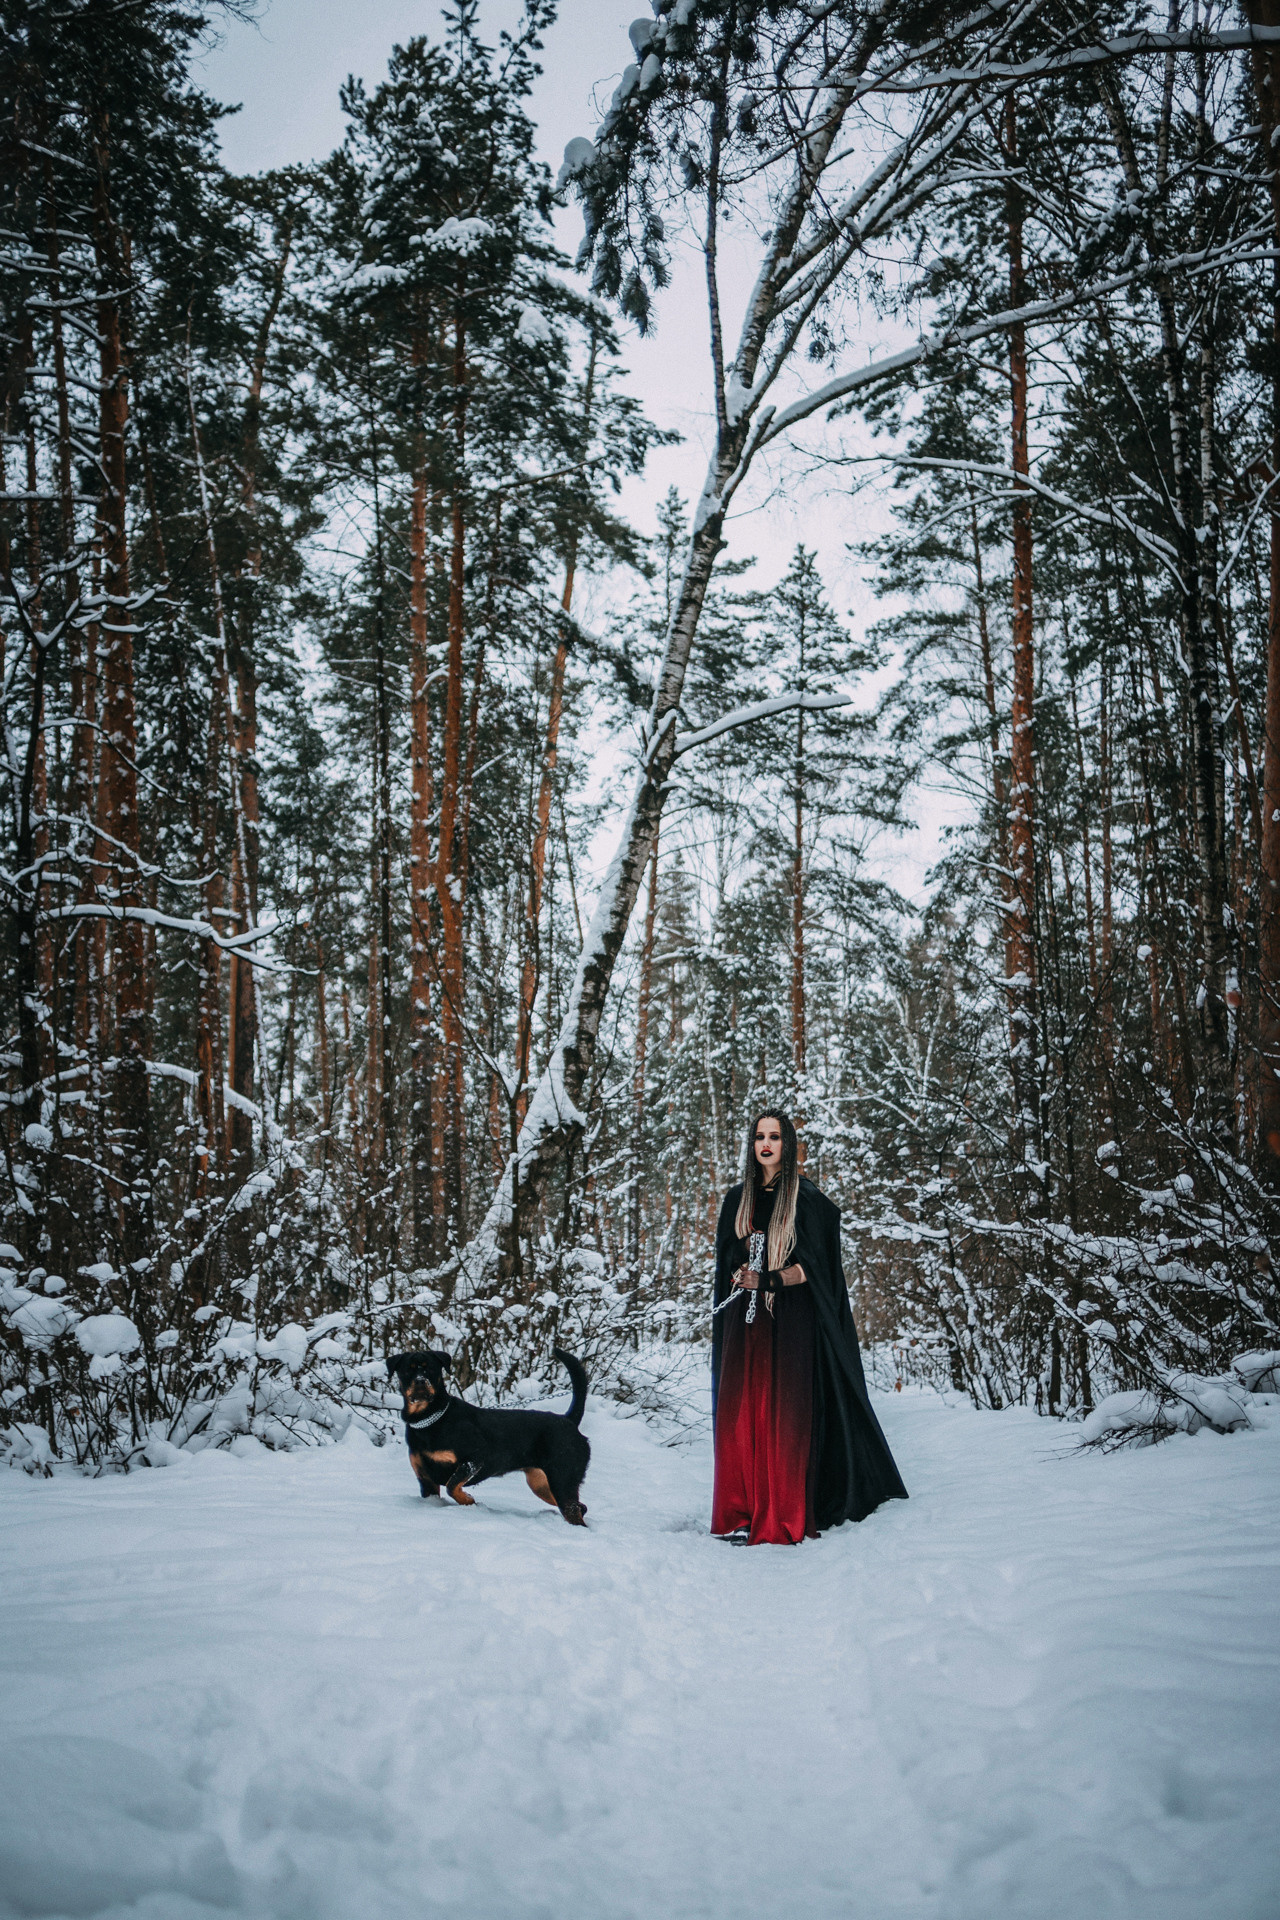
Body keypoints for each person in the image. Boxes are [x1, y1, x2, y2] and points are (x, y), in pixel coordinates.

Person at [710, 1109, 908, 1544]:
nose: (766, 1144)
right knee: (740, 1414)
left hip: (791, 1322)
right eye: (759, 1136)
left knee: (784, 1415)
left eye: (775, 1137)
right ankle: (741, 1508)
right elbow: (725, 1256)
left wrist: (769, 1279)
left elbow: (816, 1270)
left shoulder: (806, 1198)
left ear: (788, 1144)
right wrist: (739, 1267)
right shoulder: (736, 1200)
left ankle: (781, 1512)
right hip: (744, 1325)